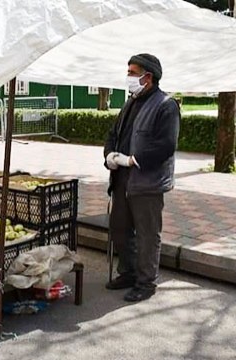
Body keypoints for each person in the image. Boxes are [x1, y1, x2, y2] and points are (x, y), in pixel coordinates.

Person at [103, 54, 180, 302]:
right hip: (123, 179)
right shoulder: (131, 103)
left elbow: (166, 145)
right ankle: (128, 272)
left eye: (133, 72)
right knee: (120, 229)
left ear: (148, 77)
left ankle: (146, 283)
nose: (129, 77)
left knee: (147, 235)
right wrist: (110, 156)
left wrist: (133, 160)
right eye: (128, 72)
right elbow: (114, 133)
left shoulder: (166, 105)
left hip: (147, 182)